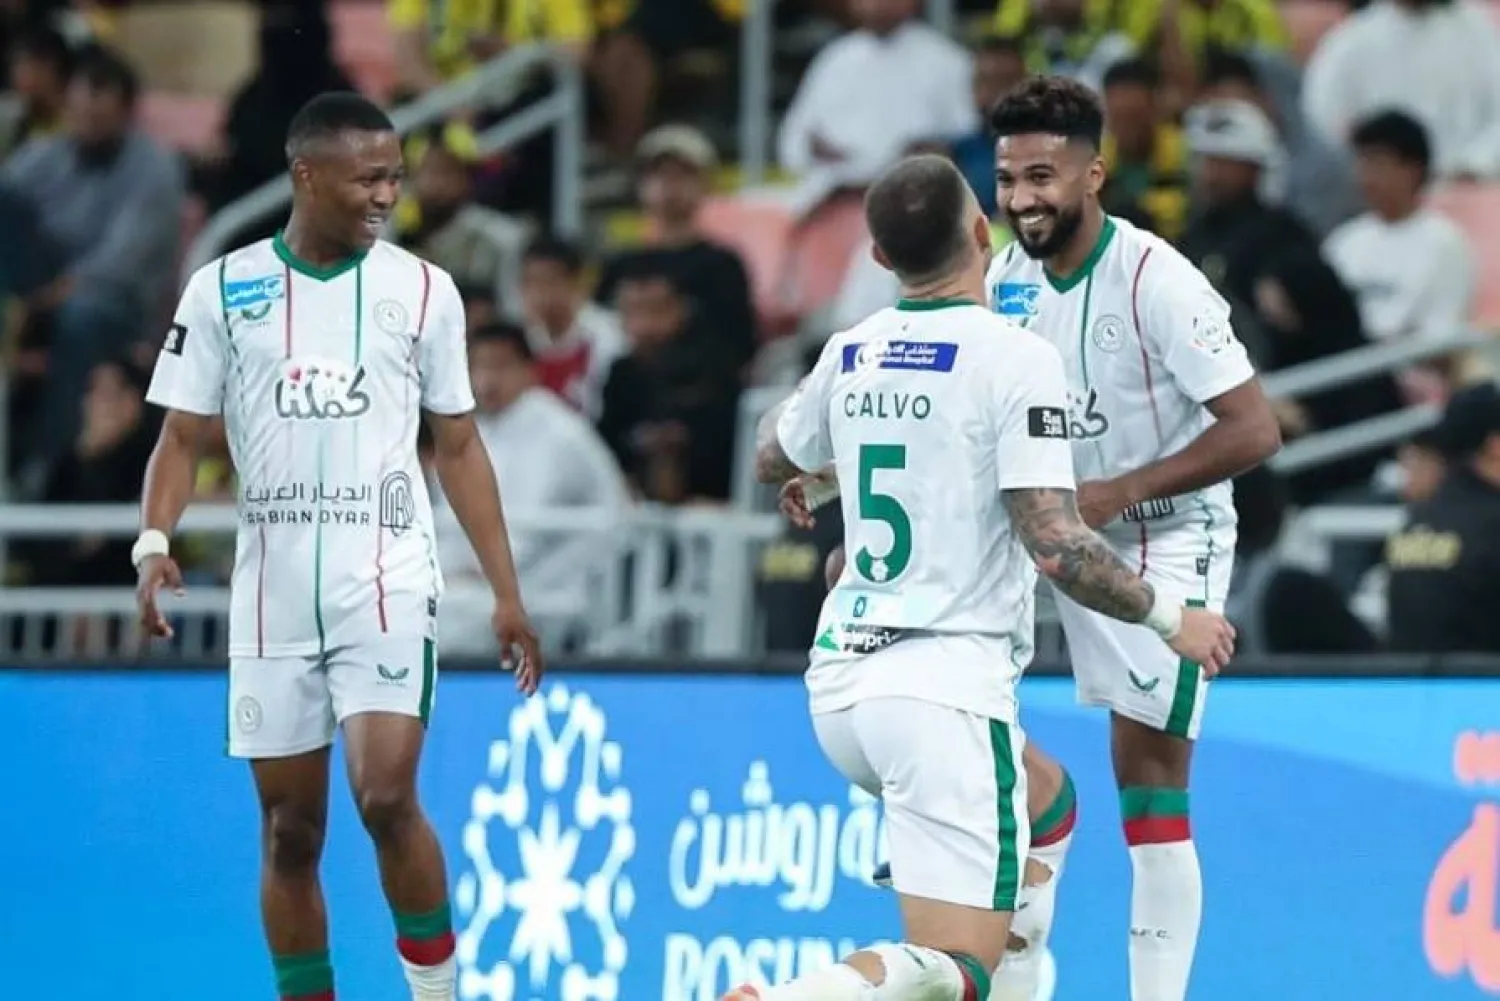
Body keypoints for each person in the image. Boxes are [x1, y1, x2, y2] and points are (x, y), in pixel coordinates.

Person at [732, 153, 1235, 1001]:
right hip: (942, 698)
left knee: (1048, 806)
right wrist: (1168, 618)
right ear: (981, 232)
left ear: (881, 258)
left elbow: (768, 454)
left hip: (843, 689)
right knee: (955, 970)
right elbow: (1057, 543)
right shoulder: (1014, 357)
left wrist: (825, 469)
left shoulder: (851, 351)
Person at [132, 92, 545, 1001]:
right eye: (368, 178)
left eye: (394, 177)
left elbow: (459, 444)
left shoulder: (424, 290)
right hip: (273, 590)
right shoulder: (224, 289)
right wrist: (154, 541)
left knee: (386, 795)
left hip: (385, 576)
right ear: (306, 175)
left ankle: (437, 994)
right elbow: (181, 437)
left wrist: (507, 592)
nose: (387, 195)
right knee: (291, 830)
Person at [986, 77, 1281, 1001]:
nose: (1023, 198)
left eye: (1042, 176)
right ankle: (1010, 926)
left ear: (1094, 173)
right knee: (960, 709)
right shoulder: (1003, 280)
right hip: (1053, 528)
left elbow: (1255, 429)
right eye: (1008, 179)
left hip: (1165, 535)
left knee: (1148, 782)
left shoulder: (1159, 279)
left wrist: (1123, 490)